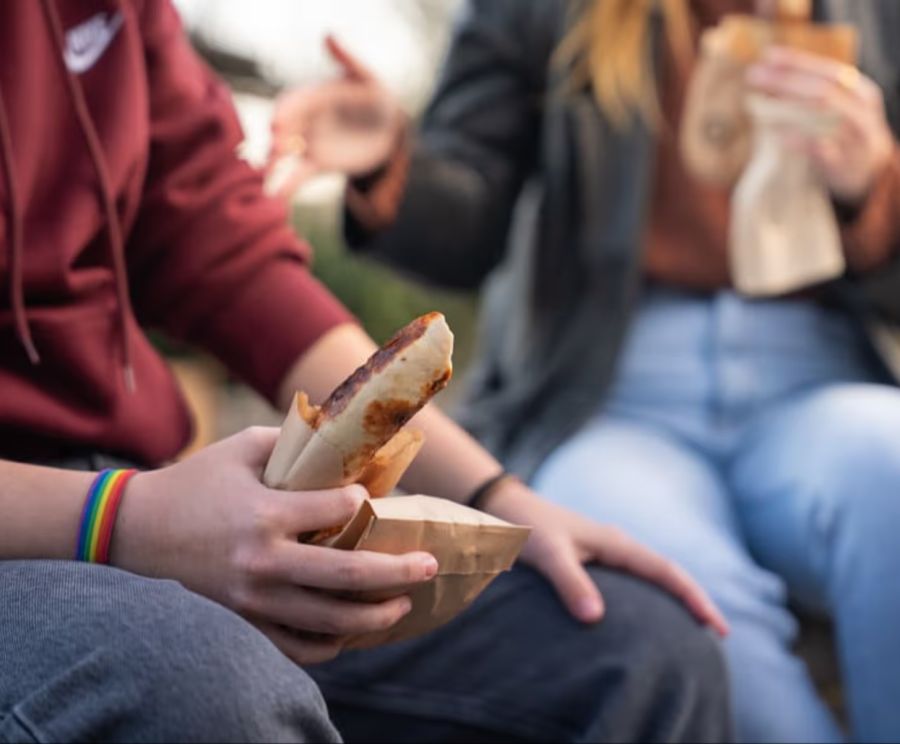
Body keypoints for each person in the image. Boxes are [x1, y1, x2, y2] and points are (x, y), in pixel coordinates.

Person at [0, 1, 730, 743]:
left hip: (127, 493)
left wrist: (501, 498)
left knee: (639, 650)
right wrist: (122, 520)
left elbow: (223, 260)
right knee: (205, 687)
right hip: (54, 528)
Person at [269, 0, 900, 741]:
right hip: (606, 396)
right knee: (684, 592)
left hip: (821, 379)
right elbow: (467, 228)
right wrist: (390, 166)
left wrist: (876, 187)